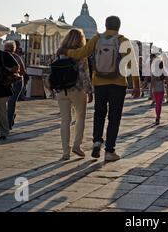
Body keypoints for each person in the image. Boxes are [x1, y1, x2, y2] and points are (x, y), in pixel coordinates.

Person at [61, 16, 140, 162]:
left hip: (100, 83)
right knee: (114, 117)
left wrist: (67, 52)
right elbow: (133, 65)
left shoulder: (97, 39)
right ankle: (109, 150)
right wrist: (136, 85)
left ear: (105, 25)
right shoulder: (123, 40)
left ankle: (97, 141)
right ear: (119, 26)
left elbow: (81, 53)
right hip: (118, 84)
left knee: (99, 113)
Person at [55, 29, 93, 160]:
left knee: (65, 120)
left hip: (61, 90)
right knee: (80, 117)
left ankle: (65, 152)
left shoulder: (60, 51)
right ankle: (77, 145)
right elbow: (84, 74)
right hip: (77, 89)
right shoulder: (80, 53)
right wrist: (89, 91)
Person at [4, 41, 26, 130]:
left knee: (11, 102)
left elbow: (23, 71)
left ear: (13, 50)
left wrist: (13, 72)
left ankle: (8, 124)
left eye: (9, 51)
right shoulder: (3, 58)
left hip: (17, 82)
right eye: (6, 51)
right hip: (7, 82)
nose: (7, 53)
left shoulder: (17, 58)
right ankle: (11, 116)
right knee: (7, 103)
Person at [151, 60, 166, 125]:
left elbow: (152, 81)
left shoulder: (154, 72)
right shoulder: (163, 72)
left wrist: (151, 89)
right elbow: (167, 80)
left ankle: (157, 116)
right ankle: (158, 116)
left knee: (157, 104)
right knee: (159, 104)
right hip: (161, 90)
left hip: (155, 90)